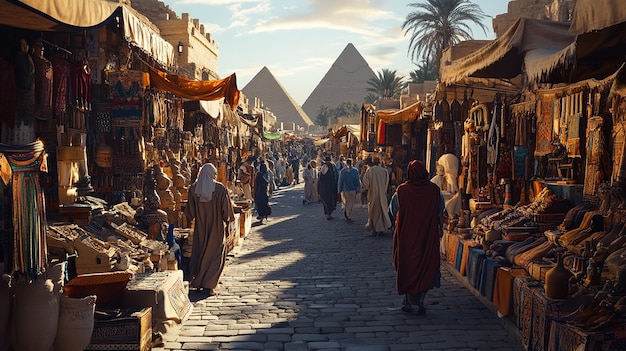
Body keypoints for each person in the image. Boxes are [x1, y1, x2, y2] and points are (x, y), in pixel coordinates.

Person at [391, 160, 444, 314]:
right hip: (427, 234)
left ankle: (408, 301)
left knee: (407, 265)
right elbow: (440, 209)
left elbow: (394, 210)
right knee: (426, 264)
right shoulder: (434, 190)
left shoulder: (402, 190)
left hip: (407, 235)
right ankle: (420, 300)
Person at [184, 163, 235, 296]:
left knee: (201, 254)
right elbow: (227, 212)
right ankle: (209, 285)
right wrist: (228, 221)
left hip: (200, 229)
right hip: (216, 229)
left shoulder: (194, 189)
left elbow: (189, 213)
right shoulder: (219, 189)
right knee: (215, 256)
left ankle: (200, 281)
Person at [361, 157, 392, 236]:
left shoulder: (370, 171)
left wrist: (364, 190)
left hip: (372, 195)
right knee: (381, 211)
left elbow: (365, 183)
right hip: (382, 194)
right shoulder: (384, 171)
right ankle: (381, 228)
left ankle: (375, 229)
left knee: (373, 212)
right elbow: (386, 183)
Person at [317, 155, 339, 220]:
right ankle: (328, 214)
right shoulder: (325, 167)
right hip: (326, 188)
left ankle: (329, 213)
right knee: (327, 201)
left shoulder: (332, 166)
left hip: (330, 187)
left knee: (330, 201)